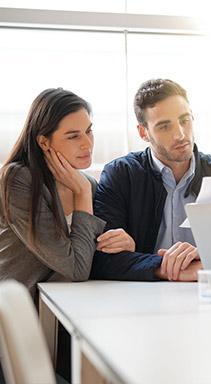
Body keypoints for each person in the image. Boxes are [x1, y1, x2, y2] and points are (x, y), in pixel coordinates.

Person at [91, 79, 211, 282]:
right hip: (144, 296)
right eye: (164, 126)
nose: (180, 134)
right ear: (144, 132)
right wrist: (167, 268)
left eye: (185, 120)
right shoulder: (121, 175)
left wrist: (204, 264)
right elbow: (103, 260)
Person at [0, 88, 132, 298]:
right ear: (44, 142)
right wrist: (82, 194)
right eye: (73, 136)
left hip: (68, 307)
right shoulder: (18, 180)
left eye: (89, 131)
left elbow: (89, 255)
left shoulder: (86, 184)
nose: (87, 144)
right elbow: (76, 268)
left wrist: (124, 244)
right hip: (19, 315)